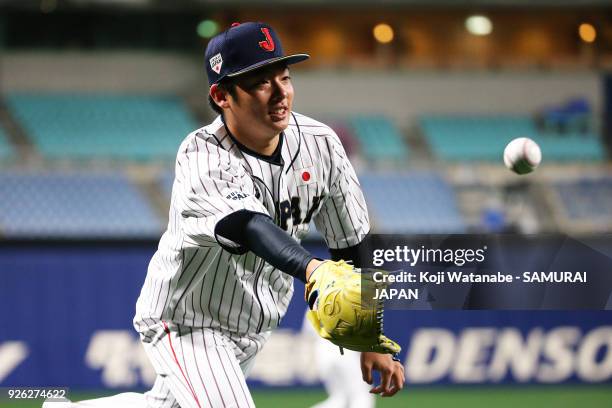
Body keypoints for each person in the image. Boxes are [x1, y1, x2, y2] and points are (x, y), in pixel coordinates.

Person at [44, 21, 404, 408]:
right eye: (261, 83)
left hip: (251, 325)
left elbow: (354, 245)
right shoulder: (202, 155)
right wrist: (313, 269)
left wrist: (368, 337)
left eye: (285, 77)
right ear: (222, 96)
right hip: (186, 321)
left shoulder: (321, 144)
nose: (281, 94)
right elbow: (248, 225)